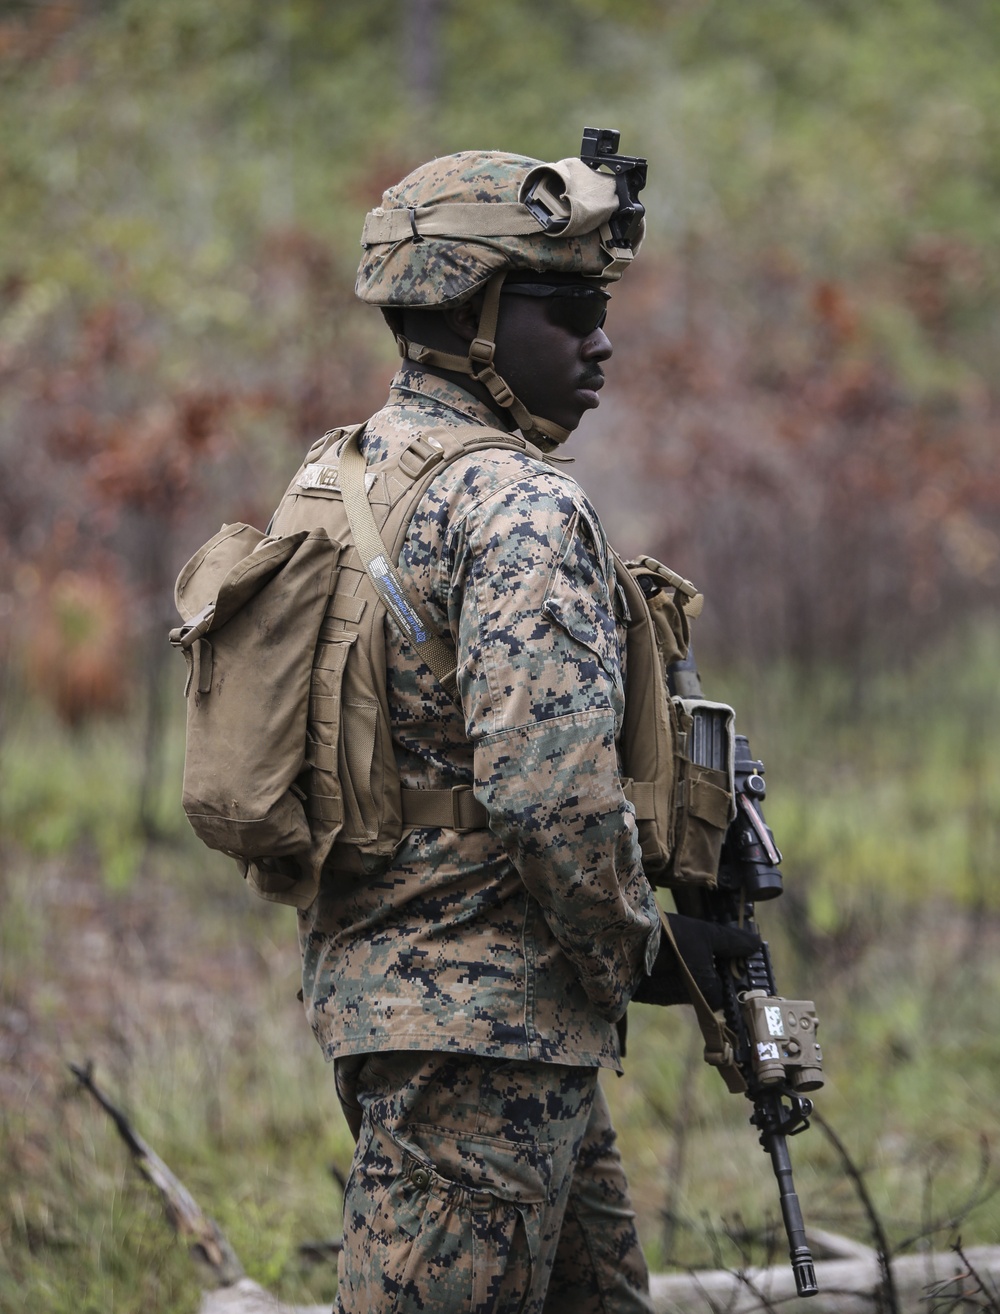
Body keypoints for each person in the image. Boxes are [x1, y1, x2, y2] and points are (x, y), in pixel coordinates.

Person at [280, 136, 758, 1314]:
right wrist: (639, 949)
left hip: (404, 997)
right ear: (470, 313)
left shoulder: (341, 473)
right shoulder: (518, 502)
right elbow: (546, 787)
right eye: (570, 306)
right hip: (486, 1027)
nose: (601, 337)